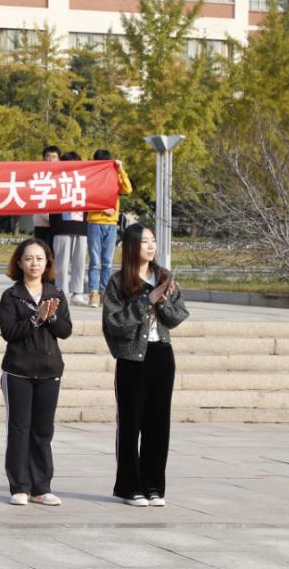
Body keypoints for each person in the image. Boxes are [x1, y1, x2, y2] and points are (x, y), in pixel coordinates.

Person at [102, 223, 189, 508]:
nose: (151, 246)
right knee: (130, 425)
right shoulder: (118, 281)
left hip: (161, 354)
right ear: (131, 246)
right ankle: (130, 487)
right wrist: (145, 301)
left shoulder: (164, 276)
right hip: (132, 359)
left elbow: (178, 316)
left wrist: (162, 302)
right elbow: (114, 323)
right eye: (144, 241)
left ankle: (154, 486)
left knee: (158, 424)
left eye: (153, 241)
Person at [0, 238, 72, 507]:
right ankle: (19, 486)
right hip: (18, 371)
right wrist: (35, 318)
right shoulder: (11, 296)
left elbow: (65, 330)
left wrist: (51, 316)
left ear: (47, 262)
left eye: (39, 259)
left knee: (43, 431)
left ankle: (41, 487)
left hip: (49, 371)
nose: (34, 263)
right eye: (28, 258)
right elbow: (9, 332)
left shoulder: (56, 294)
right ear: (19, 263)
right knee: (19, 429)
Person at [86, 149, 133, 308]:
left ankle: (104, 293)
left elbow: (127, 189)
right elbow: (86, 198)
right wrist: (102, 208)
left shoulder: (115, 176)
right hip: (95, 222)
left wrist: (121, 170)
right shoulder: (91, 178)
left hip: (112, 224)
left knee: (107, 262)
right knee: (95, 261)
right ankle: (93, 293)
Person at [50, 151, 88, 306]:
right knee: (61, 262)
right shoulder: (56, 180)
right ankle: (61, 292)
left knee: (79, 262)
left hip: (81, 227)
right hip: (61, 227)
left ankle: (77, 292)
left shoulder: (85, 180)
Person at [31, 146, 60, 244]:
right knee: (41, 249)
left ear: (59, 159)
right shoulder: (38, 175)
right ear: (43, 159)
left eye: (54, 157)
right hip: (41, 222)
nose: (51, 159)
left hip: (58, 223)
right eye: (48, 156)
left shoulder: (63, 177)